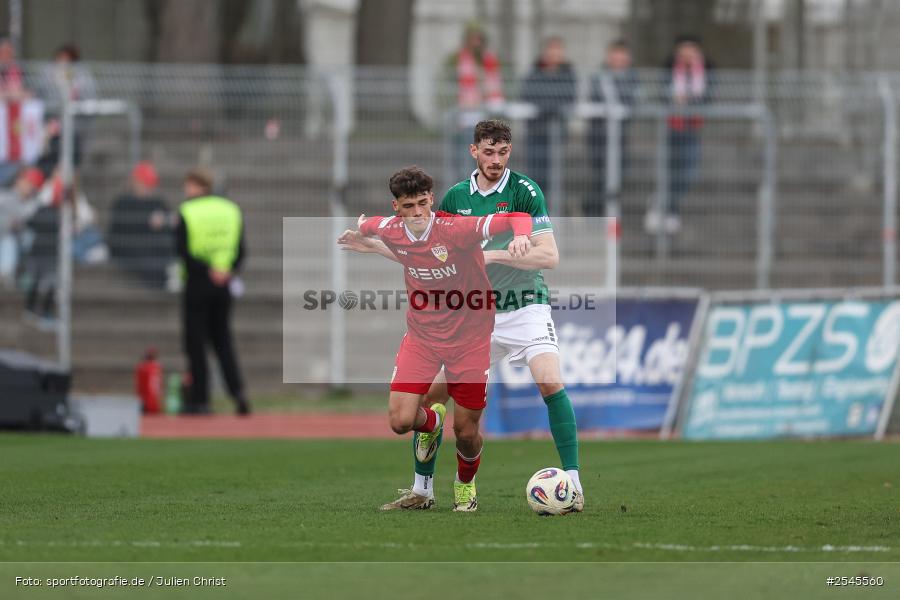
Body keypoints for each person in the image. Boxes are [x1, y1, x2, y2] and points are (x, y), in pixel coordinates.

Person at [341, 120, 584, 512]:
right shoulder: (454, 197)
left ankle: (573, 483)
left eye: (503, 152)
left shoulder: (524, 191)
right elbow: (423, 246)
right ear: (474, 151)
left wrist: (497, 253)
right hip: (470, 313)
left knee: (549, 380)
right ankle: (422, 489)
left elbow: (549, 257)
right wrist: (372, 245)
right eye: (488, 152)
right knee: (431, 399)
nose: (496, 160)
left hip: (523, 304)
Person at [338, 165, 533, 512]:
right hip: (423, 335)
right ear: (396, 207)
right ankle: (433, 422)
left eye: (422, 204)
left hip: (471, 337)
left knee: (467, 431)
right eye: (408, 206)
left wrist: (519, 235)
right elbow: (370, 224)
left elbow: (517, 216)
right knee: (400, 421)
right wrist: (363, 235)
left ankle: (465, 484)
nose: (417, 213)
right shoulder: (389, 227)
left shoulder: (456, 229)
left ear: (431, 199)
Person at [175, 168, 250, 416]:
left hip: (198, 282)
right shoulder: (231, 210)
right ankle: (238, 392)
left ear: (197, 185)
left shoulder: (187, 211)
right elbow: (241, 249)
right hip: (224, 282)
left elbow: (182, 251)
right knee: (223, 341)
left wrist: (206, 270)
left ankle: (200, 399)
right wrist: (226, 270)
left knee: (196, 343)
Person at [648, 35, 714, 234]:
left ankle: (668, 207)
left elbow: (710, 95)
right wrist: (673, 97)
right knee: (668, 171)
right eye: (684, 49)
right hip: (671, 128)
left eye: (691, 49)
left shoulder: (707, 71)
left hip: (692, 128)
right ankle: (666, 209)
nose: (687, 54)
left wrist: (692, 100)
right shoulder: (668, 70)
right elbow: (659, 93)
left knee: (687, 174)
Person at [586, 39, 639, 217]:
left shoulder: (633, 78)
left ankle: (604, 211)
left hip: (620, 137)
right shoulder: (599, 77)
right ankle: (595, 211)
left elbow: (632, 102)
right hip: (599, 136)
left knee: (618, 175)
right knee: (600, 175)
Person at [446, 22, 505, 180]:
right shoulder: (462, 59)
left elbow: (494, 87)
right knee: (462, 158)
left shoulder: (489, 60)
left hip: (483, 116)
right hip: (465, 116)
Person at [519, 37, 577, 192]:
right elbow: (529, 96)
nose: (553, 54)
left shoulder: (569, 75)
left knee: (556, 176)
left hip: (558, 135)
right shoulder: (533, 74)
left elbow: (568, 98)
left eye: (557, 50)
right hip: (536, 133)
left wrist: (546, 106)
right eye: (550, 50)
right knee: (535, 177)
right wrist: (552, 107)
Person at [108, 161, 174, 288]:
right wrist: (148, 223)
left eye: (149, 185)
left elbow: (169, 222)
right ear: (135, 182)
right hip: (129, 245)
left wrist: (164, 222)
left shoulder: (158, 203)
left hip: (152, 245)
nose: (147, 188)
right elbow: (119, 231)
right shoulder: (123, 202)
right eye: (144, 183)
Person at [0, 167, 44, 285]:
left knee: (13, 240)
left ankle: (5, 276)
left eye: (32, 185)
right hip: (3, 235)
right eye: (26, 182)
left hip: (19, 241)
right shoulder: (4, 196)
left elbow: (22, 224)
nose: (28, 187)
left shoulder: (34, 205)